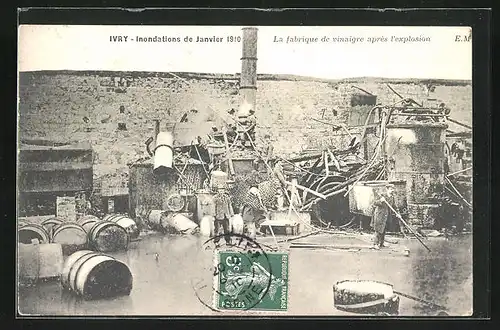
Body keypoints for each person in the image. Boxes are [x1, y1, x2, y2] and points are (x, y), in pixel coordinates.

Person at [371, 184, 395, 249]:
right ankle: (375, 244)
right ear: (387, 189)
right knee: (378, 229)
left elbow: (394, 207)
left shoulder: (392, 197)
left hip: (387, 215)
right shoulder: (382, 196)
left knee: (383, 229)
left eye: (393, 189)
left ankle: (381, 243)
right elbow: (374, 202)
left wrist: (397, 214)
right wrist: (381, 201)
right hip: (380, 214)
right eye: (391, 189)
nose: (392, 190)